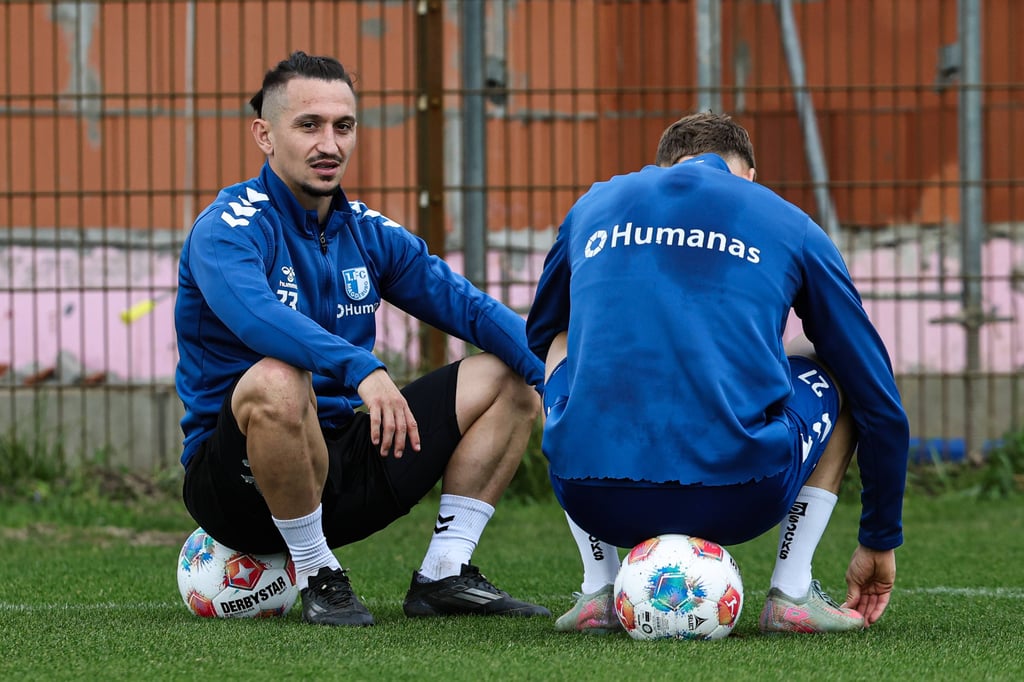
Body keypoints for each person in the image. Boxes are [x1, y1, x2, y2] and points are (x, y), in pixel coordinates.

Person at [175, 51, 551, 626]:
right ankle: (318, 572)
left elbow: (468, 307)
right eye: (309, 125)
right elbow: (255, 317)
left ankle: (444, 573)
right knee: (278, 378)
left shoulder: (368, 232)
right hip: (239, 486)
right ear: (265, 135)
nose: (330, 144)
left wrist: (564, 379)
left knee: (508, 374)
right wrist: (362, 366)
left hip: (346, 464)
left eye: (343, 126)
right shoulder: (228, 228)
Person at [526, 112, 909, 635]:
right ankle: (792, 593)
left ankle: (599, 585)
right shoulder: (786, 220)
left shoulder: (594, 205)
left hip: (591, 495)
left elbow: (540, 332)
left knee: (564, 341)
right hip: (742, 494)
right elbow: (878, 394)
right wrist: (879, 538)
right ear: (749, 175)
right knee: (835, 363)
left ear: (662, 168)